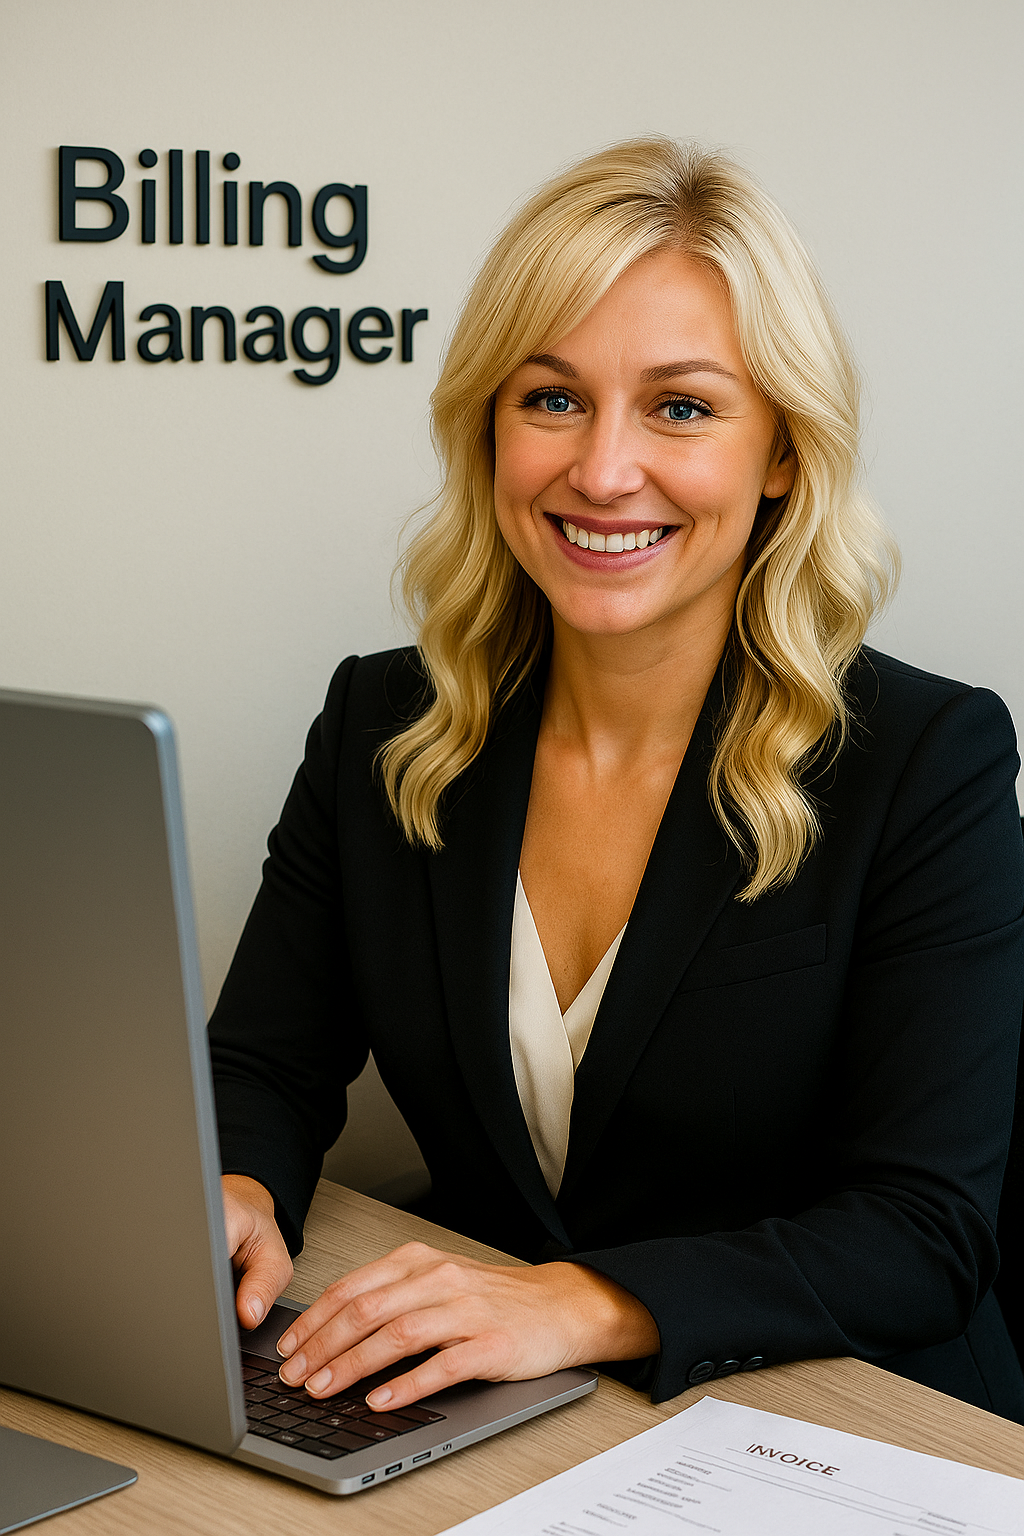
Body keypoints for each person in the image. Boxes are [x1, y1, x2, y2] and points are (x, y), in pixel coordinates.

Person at [208, 137, 1024, 1421]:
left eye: (682, 407)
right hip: (500, 1412)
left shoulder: (928, 760)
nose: (600, 471)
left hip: (848, 1418)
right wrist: (234, 1192)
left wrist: (580, 1302)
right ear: (489, 426)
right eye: (551, 398)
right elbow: (262, 1064)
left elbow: (923, 1228)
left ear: (780, 456)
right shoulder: (384, 720)